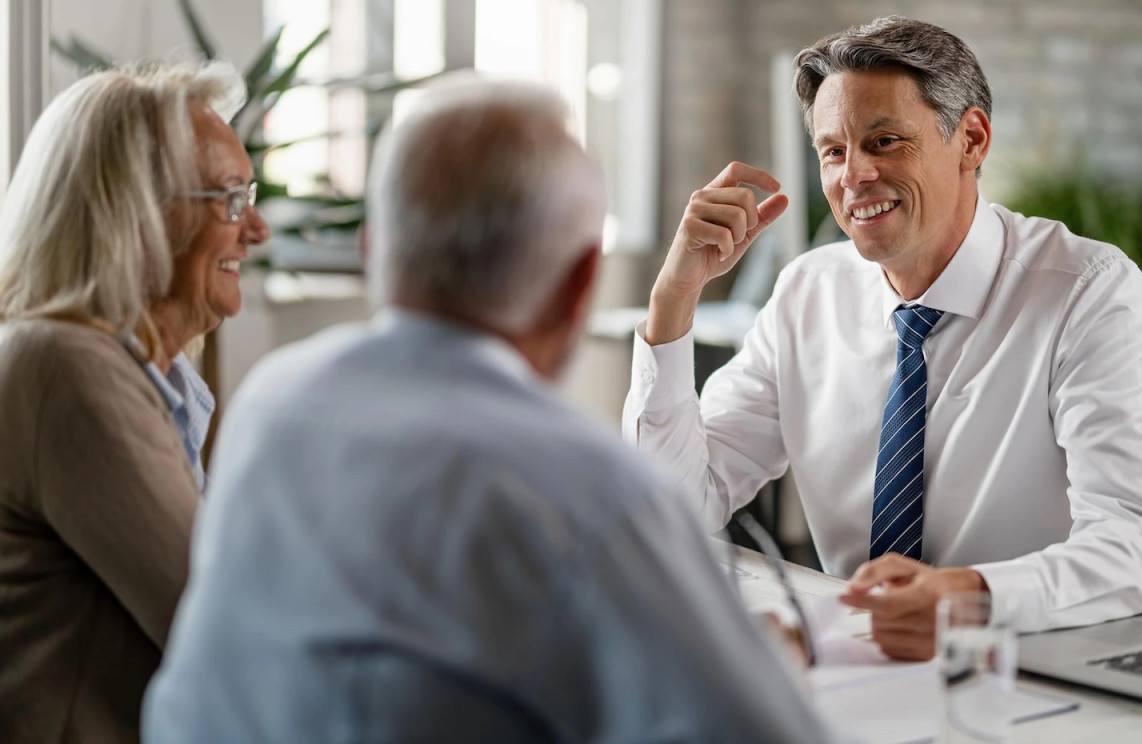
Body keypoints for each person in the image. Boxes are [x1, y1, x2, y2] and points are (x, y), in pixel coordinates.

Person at [143, 78, 842, 743]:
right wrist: (768, 664)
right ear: (579, 289)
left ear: (372, 249)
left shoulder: (273, 401)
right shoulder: (585, 487)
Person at [624, 16, 1142, 659]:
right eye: (833, 151)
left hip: (1023, 672)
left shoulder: (1088, 291)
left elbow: (1137, 548)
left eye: (884, 141)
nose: (853, 176)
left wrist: (971, 598)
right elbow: (670, 506)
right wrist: (673, 299)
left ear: (971, 139)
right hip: (854, 666)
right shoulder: (808, 290)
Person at [0, 63, 270, 743]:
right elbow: (222, 631)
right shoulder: (66, 368)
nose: (256, 228)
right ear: (139, 211)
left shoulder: (131, 370)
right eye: (231, 198)